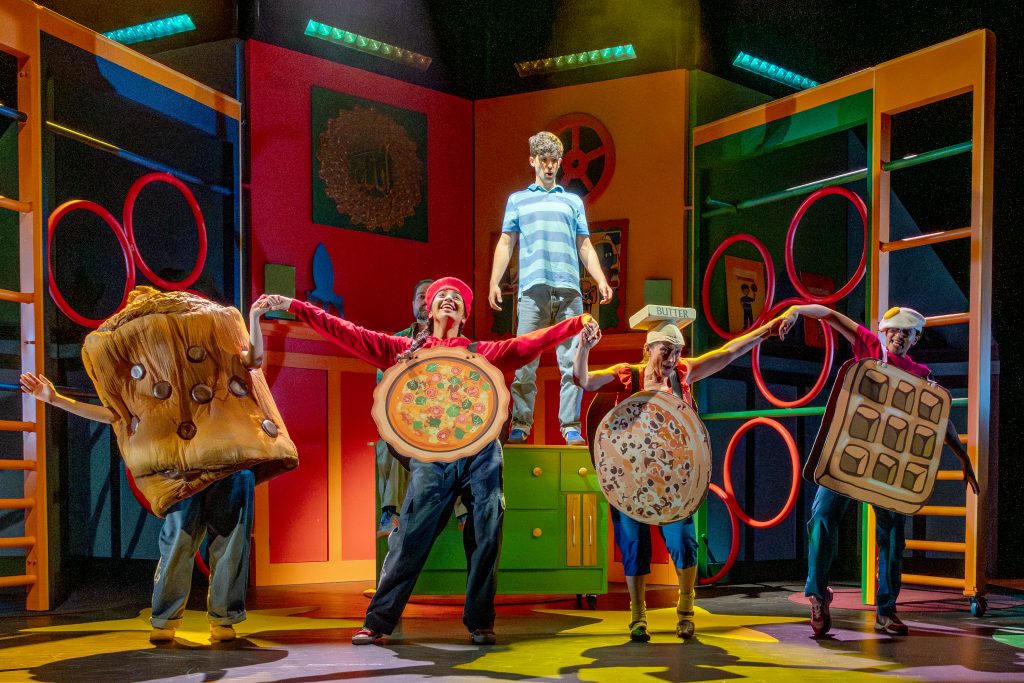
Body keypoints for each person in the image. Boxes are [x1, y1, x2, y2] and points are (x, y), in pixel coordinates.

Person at [252, 277, 599, 646]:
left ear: (464, 313)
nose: (448, 300)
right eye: (441, 297)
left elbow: (529, 344)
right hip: (432, 456)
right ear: (429, 311)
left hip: (481, 452)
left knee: (486, 532)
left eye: (456, 298)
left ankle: (480, 622)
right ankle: (379, 621)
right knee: (410, 537)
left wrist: (574, 324)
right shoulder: (405, 350)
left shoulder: (481, 352)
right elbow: (347, 332)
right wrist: (296, 307)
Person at [20, 289, 277, 644]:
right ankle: (166, 619)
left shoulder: (212, 341)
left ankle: (224, 619)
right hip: (181, 467)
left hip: (231, 459)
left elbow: (252, 360)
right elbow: (116, 416)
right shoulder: (146, 377)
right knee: (178, 542)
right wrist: (55, 399)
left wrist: (254, 320)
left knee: (231, 541)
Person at [573, 314, 786, 641]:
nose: (673, 358)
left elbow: (728, 353)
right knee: (633, 546)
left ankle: (685, 612)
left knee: (684, 544)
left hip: (674, 481)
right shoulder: (628, 376)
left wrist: (765, 332)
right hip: (631, 479)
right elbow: (583, 381)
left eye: (678, 351)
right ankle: (637, 616)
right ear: (648, 349)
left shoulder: (683, 375)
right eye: (666, 351)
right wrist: (584, 348)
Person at [778, 304, 979, 637]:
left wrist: (963, 457)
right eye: (894, 330)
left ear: (916, 338)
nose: (899, 336)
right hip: (849, 456)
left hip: (887, 468)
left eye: (907, 332)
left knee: (892, 533)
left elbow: (938, 419)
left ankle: (886, 609)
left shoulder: (920, 373)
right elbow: (832, 316)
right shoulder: (870, 348)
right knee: (822, 515)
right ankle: (817, 593)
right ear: (884, 332)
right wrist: (797, 309)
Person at [488, 131, 613, 446]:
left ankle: (570, 426)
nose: (548, 166)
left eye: (554, 161)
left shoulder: (572, 201)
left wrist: (599, 278)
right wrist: (494, 280)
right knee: (524, 359)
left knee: (572, 360)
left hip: (569, 289)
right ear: (532, 161)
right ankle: (520, 423)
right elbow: (506, 241)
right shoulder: (518, 200)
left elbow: (584, 244)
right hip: (533, 290)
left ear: (559, 163)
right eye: (543, 160)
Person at [374, 278, 432, 536]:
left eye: (431, 296)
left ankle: (464, 514)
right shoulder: (396, 342)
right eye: (420, 295)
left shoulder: (456, 342)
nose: (425, 300)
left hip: (444, 424)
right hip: (407, 422)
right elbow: (383, 387)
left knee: (465, 449)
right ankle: (390, 513)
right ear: (412, 303)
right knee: (391, 440)